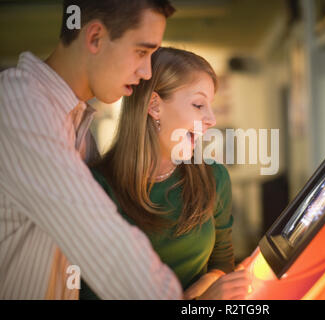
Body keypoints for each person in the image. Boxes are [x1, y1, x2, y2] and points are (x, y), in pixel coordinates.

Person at [0, 0, 183, 299]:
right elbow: (104, 242)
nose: (147, 72)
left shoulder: (78, 128)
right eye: (141, 52)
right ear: (95, 37)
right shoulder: (18, 105)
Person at [80, 47, 250, 300]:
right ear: (155, 106)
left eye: (210, 106)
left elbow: (222, 261)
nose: (211, 119)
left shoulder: (214, 177)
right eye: (198, 104)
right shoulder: (96, 187)